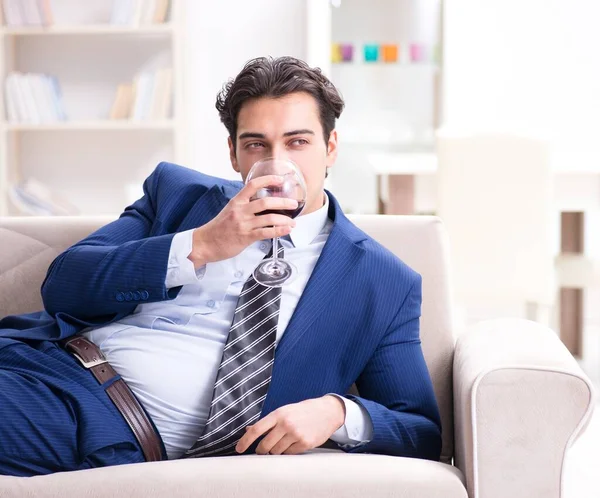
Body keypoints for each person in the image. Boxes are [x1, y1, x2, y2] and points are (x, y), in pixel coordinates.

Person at [0, 56, 441, 477]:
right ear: (234, 154)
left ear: (330, 148)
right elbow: (63, 285)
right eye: (256, 145)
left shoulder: (382, 282)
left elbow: (420, 430)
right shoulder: (177, 195)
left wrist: (337, 412)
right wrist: (200, 245)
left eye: (298, 142)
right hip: (45, 364)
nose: (278, 162)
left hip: (106, 419)